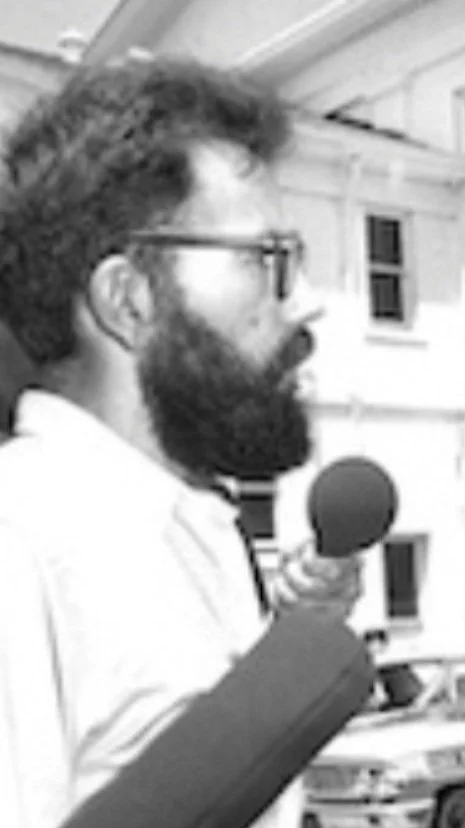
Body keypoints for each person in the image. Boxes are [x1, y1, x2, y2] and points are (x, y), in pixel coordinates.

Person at [0, 58, 362, 828]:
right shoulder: (17, 540)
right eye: (266, 260)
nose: (308, 303)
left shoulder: (201, 527)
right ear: (128, 299)